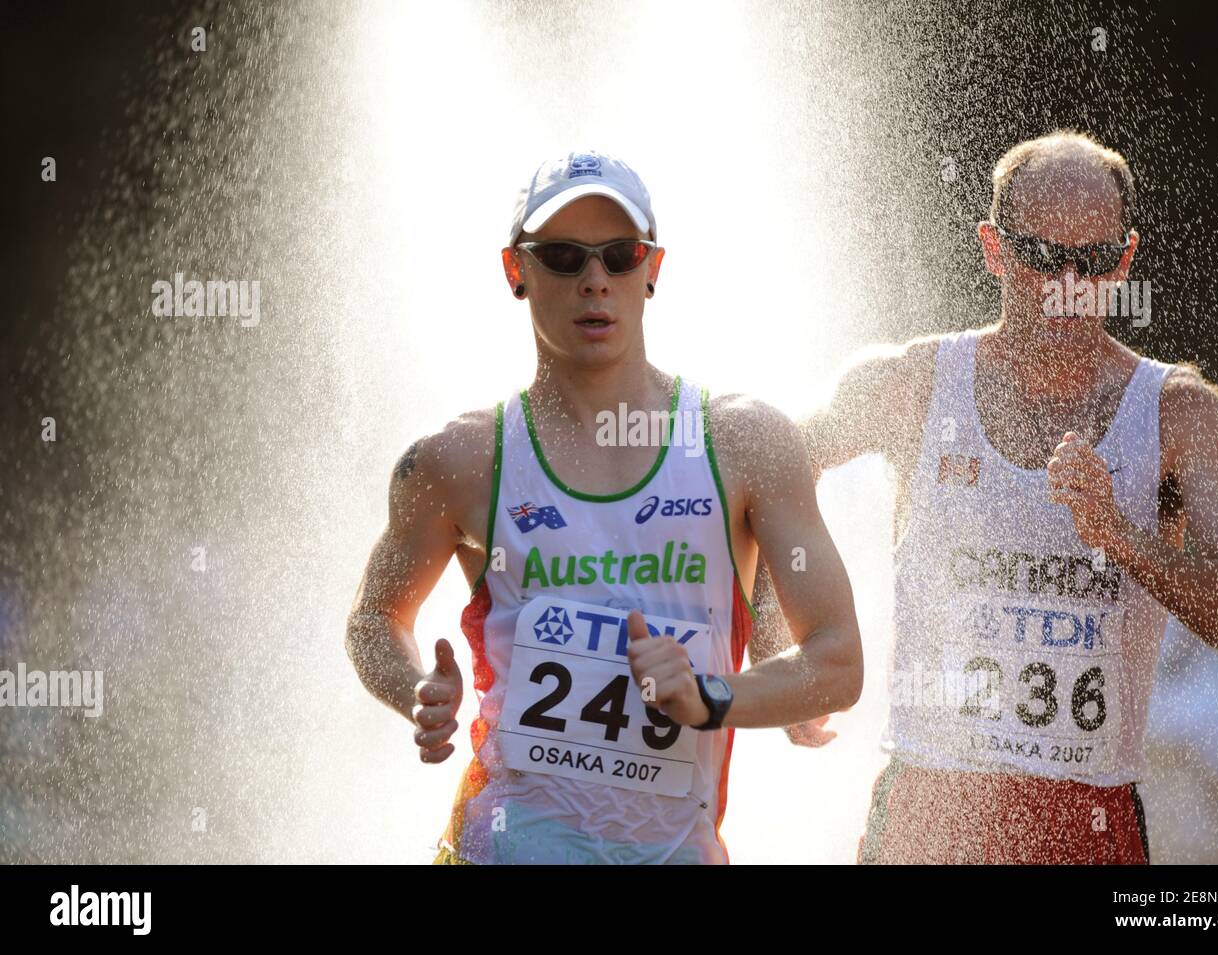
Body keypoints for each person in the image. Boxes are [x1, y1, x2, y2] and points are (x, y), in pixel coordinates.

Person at [753, 130, 1218, 864]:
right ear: (993, 249)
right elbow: (776, 459)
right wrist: (778, 627)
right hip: (934, 809)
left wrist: (1123, 535)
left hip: (1087, 819)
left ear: (1125, 260)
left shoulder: (1177, 415)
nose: (1067, 284)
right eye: (1041, 257)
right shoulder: (913, 383)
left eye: (1093, 262)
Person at [344, 150, 862, 864]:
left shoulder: (746, 442)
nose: (595, 279)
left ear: (652, 269)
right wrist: (416, 690)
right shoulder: (457, 460)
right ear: (514, 270)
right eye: (562, 256)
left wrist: (709, 695)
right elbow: (375, 618)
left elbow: (838, 661)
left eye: (619, 256)